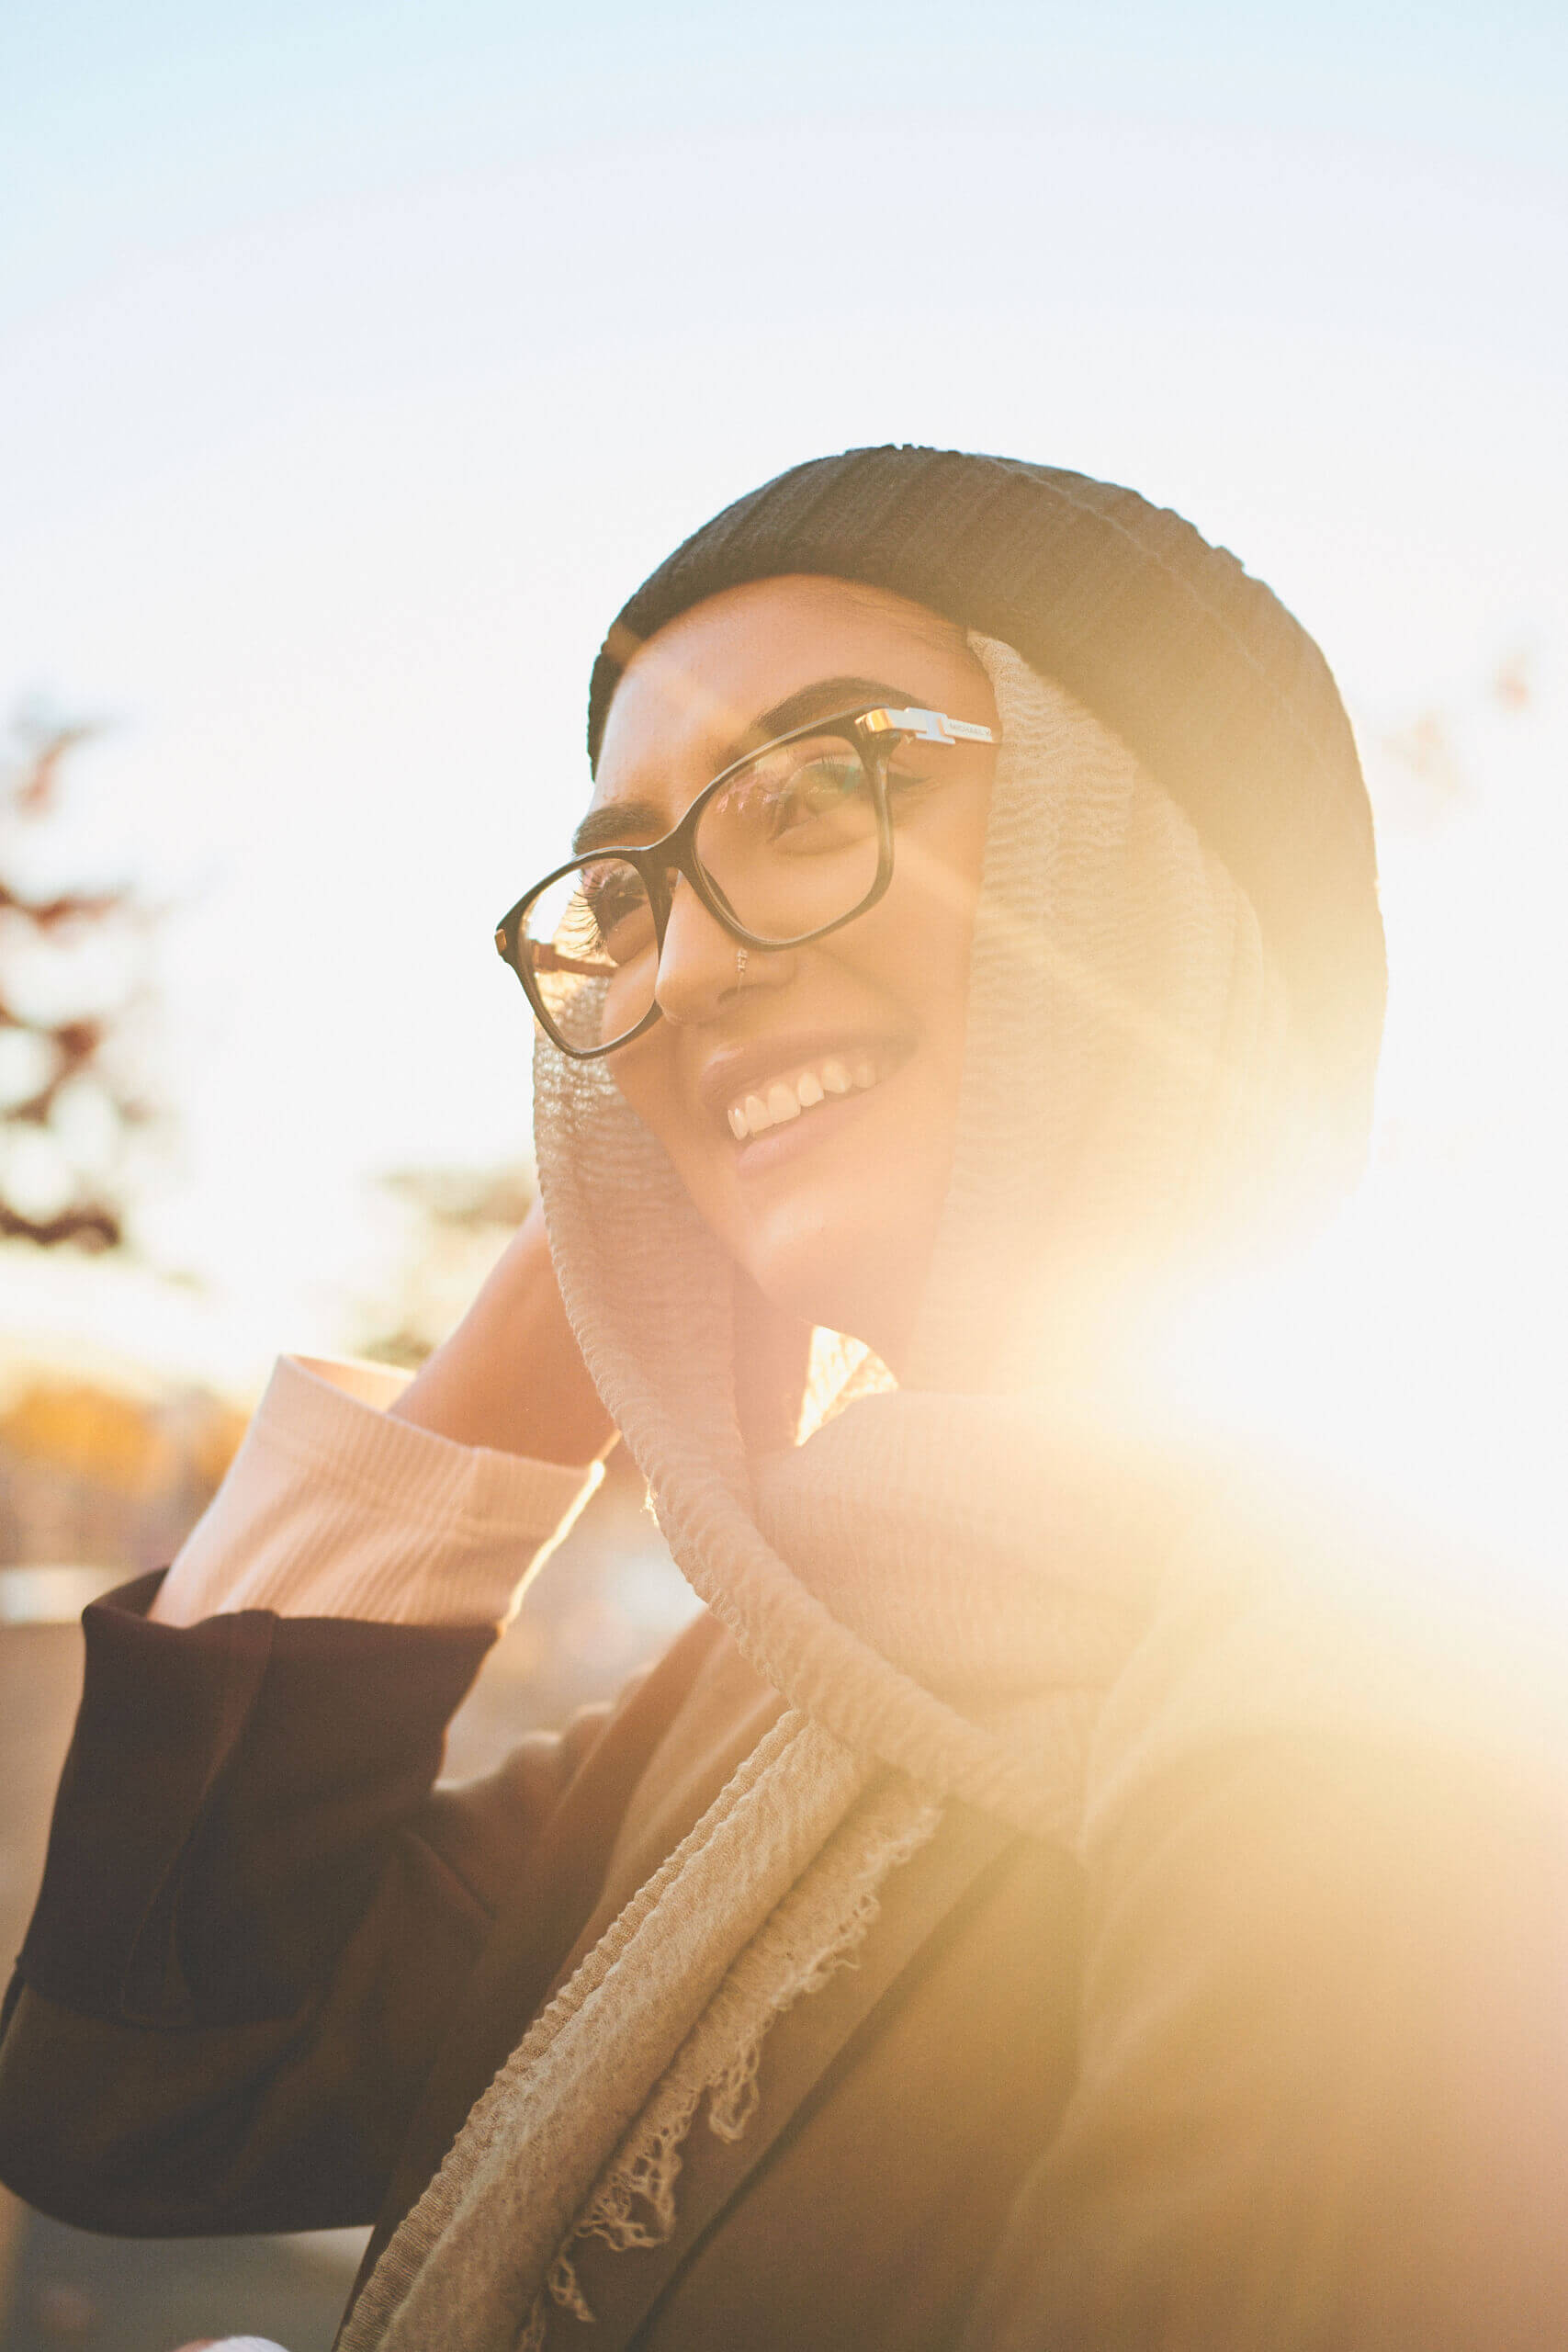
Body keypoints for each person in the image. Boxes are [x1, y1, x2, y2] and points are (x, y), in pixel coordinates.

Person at [1, 446, 1565, 2352]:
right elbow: (147, 2086)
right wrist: (552, 1311)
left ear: (1140, 859)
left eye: (815, 793)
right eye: (625, 894)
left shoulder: (1391, 1673)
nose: (687, 968)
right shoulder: (784, 1665)